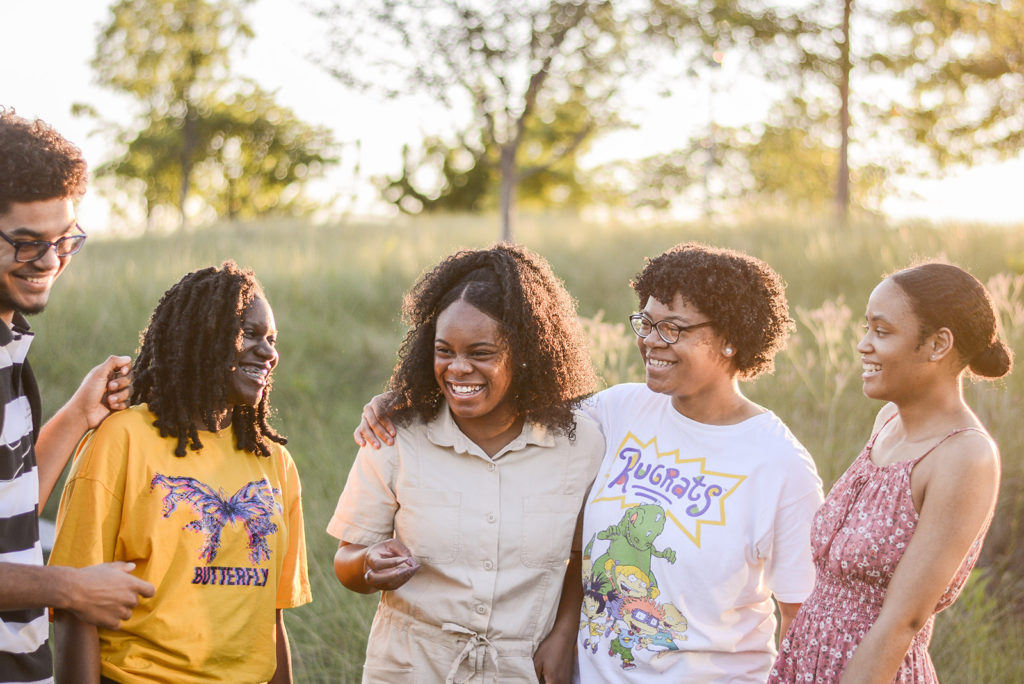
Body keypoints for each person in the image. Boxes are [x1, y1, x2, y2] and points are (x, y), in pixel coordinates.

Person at [357, 242, 825, 682]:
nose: (651, 341)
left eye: (673, 328)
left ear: (732, 339)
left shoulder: (779, 466)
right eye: (646, 321)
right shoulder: (618, 410)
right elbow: (518, 406)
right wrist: (406, 399)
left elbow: (801, 621)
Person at [329, 244, 606, 683]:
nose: (458, 369)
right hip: (409, 666)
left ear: (526, 352)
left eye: (481, 353)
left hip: (523, 667)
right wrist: (369, 564)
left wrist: (565, 634)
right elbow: (347, 560)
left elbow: (581, 557)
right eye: (444, 351)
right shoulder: (394, 436)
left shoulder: (580, 444)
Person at [48, 262, 311, 683]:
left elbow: (271, 618)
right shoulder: (122, 439)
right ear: (201, 336)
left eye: (272, 339)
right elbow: (74, 606)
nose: (269, 353)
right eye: (250, 334)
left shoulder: (273, 461)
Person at [769, 262, 1012, 683]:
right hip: (807, 661)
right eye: (867, 329)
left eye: (881, 332)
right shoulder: (886, 421)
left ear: (937, 344)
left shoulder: (964, 455)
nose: (863, 345)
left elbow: (903, 621)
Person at [0, 107, 154, 684]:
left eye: (63, 240)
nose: (48, 261)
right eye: (25, 242)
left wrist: (77, 415)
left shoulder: (10, 350)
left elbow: (8, 519)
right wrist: (70, 586)